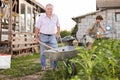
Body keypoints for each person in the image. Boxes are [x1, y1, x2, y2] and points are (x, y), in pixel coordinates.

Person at [35, 4, 60, 71]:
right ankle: (43, 66)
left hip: (52, 36)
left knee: (55, 51)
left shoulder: (55, 16)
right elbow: (37, 28)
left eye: (51, 9)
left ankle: (54, 67)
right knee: (43, 52)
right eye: (48, 9)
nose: (50, 10)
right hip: (43, 36)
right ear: (46, 9)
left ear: (53, 9)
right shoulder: (41, 17)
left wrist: (58, 34)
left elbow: (58, 25)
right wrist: (36, 37)